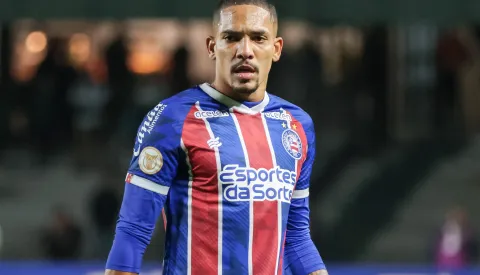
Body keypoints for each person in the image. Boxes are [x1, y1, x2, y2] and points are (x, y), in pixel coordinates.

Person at [105, 0, 327, 274]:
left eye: (258, 38)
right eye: (232, 38)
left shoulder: (297, 125)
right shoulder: (172, 118)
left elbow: (296, 238)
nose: (245, 51)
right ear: (212, 47)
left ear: (277, 48)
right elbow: (133, 231)